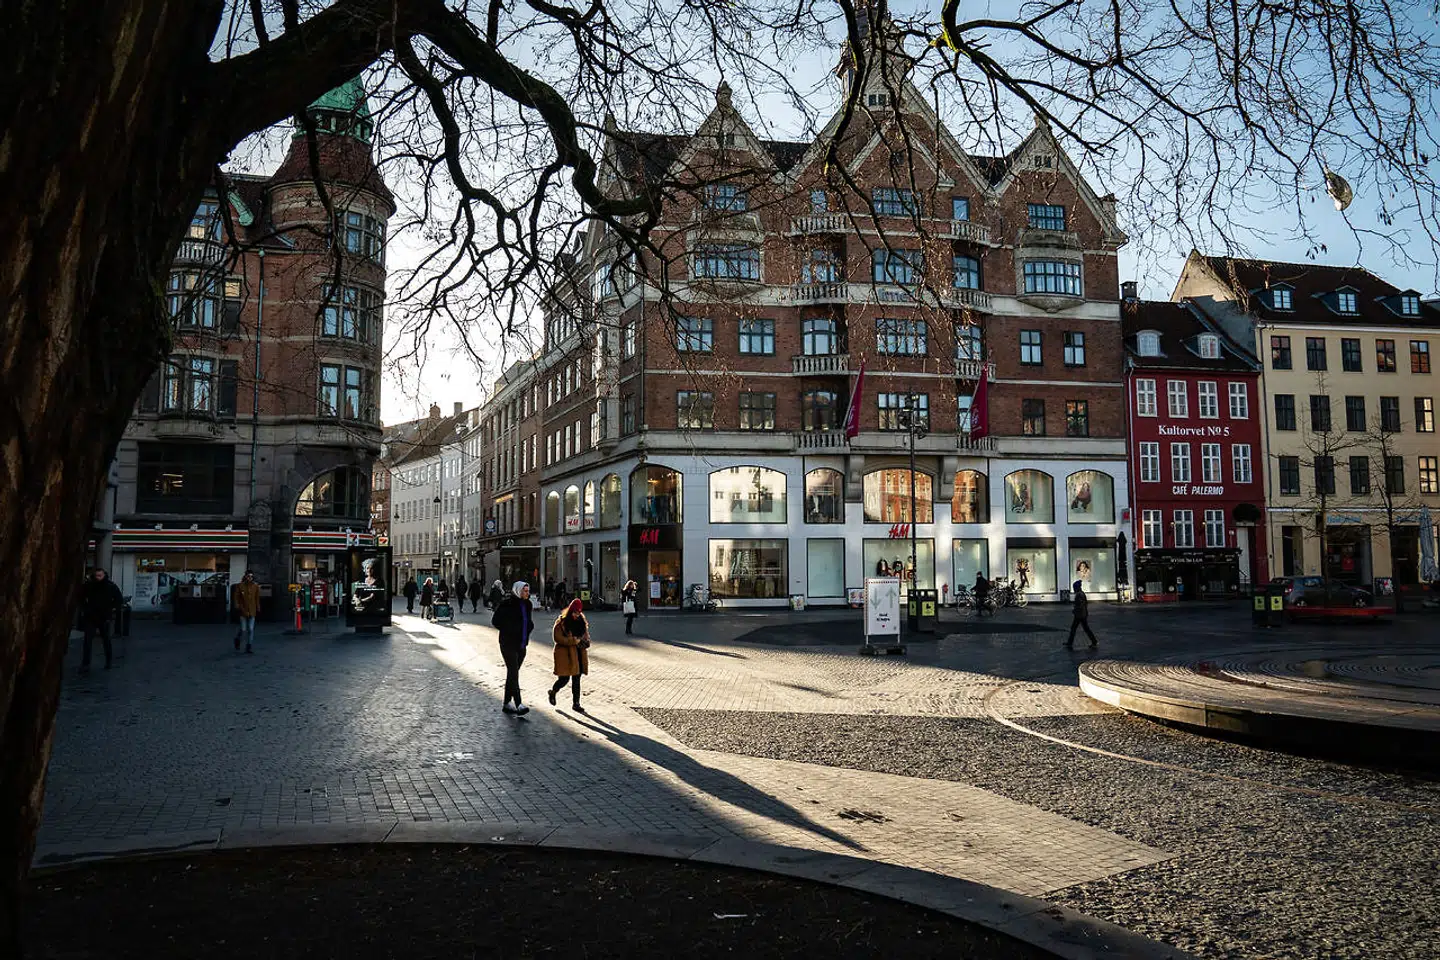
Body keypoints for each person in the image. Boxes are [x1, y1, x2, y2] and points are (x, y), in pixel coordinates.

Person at [491, 581, 535, 715]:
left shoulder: (528, 605)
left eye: (528, 591)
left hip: (521, 644)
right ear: (518, 591)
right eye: (525, 591)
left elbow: (528, 621)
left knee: (512, 674)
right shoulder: (506, 604)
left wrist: (529, 627)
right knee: (514, 673)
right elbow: (495, 621)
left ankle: (506, 703)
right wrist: (508, 629)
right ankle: (518, 704)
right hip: (507, 643)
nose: (527, 593)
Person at [548, 599, 591, 711]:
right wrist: (573, 641)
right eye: (575, 612)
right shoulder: (562, 622)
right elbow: (557, 638)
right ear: (571, 610)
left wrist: (586, 642)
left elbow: (586, 636)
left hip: (579, 654)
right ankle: (553, 692)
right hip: (566, 655)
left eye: (578, 612)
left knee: (576, 680)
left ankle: (576, 703)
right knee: (564, 679)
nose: (577, 615)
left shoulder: (582, 621)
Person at [78, 568, 123, 672]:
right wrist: (86, 608)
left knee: (106, 640)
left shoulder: (110, 586)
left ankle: (108, 661)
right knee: (88, 640)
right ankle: (86, 663)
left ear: (104, 575)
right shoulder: (89, 585)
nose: (98, 578)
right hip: (91, 616)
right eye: (97, 575)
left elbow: (119, 599)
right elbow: (80, 597)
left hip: (104, 616)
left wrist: (110, 608)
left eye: (100, 575)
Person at [233, 571, 261, 653]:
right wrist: (237, 605)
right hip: (243, 610)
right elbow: (236, 597)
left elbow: (257, 598)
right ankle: (237, 639)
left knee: (251, 629)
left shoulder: (255, 586)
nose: (250, 578)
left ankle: (249, 646)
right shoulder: (240, 586)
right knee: (243, 629)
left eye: (251, 576)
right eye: (248, 576)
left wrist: (258, 607)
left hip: (252, 610)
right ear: (245, 577)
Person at [1066, 578, 1097, 649]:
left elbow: (1080, 605)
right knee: (1084, 628)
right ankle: (1094, 641)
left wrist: (1075, 610)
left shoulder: (1079, 595)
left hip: (1080, 615)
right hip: (1082, 614)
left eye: (1074, 587)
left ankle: (1070, 642)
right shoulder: (1081, 593)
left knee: (1075, 628)